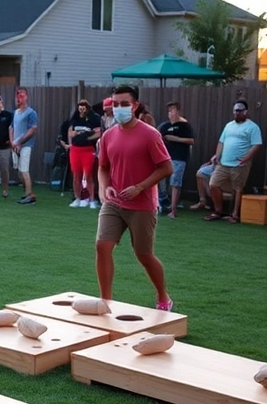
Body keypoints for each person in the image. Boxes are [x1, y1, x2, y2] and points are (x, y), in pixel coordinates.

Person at [96, 85, 175, 312]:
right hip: (114, 203)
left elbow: (166, 168)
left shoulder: (150, 135)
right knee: (102, 246)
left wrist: (140, 187)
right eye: (115, 104)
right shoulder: (109, 135)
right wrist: (105, 187)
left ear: (135, 105)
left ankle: (163, 297)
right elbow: (103, 167)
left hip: (142, 205)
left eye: (124, 104)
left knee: (144, 254)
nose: (118, 108)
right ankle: (106, 302)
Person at [204, 99, 262, 223]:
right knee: (213, 184)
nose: (236, 113)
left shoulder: (252, 127)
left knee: (238, 189)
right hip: (223, 163)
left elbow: (256, 145)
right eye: (235, 111)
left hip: (239, 164)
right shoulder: (229, 125)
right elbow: (221, 142)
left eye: (239, 111)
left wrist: (246, 157)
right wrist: (217, 155)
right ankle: (218, 211)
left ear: (245, 112)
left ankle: (235, 215)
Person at [157, 101, 195, 218]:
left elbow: (191, 141)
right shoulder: (165, 126)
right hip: (166, 158)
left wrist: (174, 138)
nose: (170, 113)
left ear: (178, 111)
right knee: (160, 179)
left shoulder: (184, 126)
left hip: (179, 158)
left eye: (172, 110)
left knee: (175, 183)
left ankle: (173, 210)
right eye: (169, 111)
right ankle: (162, 202)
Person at [67, 99, 101, 208]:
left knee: (88, 175)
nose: (81, 109)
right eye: (80, 107)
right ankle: (78, 197)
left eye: (84, 107)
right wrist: (75, 135)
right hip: (75, 149)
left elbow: (99, 132)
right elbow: (70, 132)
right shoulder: (75, 119)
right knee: (76, 175)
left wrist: (86, 137)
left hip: (87, 149)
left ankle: (91, 199)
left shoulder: (94, 118)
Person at [11, 87, 38, 205]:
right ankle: (25, 193)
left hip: (26, 145)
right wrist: (13, 142)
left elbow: (32, 130)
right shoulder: (15, 113)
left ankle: (30, 196)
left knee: (24, 170)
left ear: (26, 97)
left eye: (21, 96)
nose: (19, 98)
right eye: (17, 96)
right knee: (19, 172)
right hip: (15, 146)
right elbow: (11, 128)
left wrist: (20, 142)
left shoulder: (31, 113)